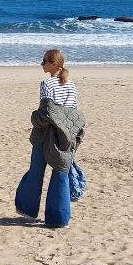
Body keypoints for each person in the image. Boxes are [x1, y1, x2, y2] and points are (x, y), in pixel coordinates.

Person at [15, 49, 85, 228]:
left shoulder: (47, 84)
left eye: (44, 61)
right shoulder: (71, 83)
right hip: (67, 135)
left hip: (47, 134)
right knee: (60, 173)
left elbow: (46, 113)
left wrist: (34, 117)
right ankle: (58, 219)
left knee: (36, 170)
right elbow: (71, 111)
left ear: (55, 64)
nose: (41, 64)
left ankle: (28, 209)